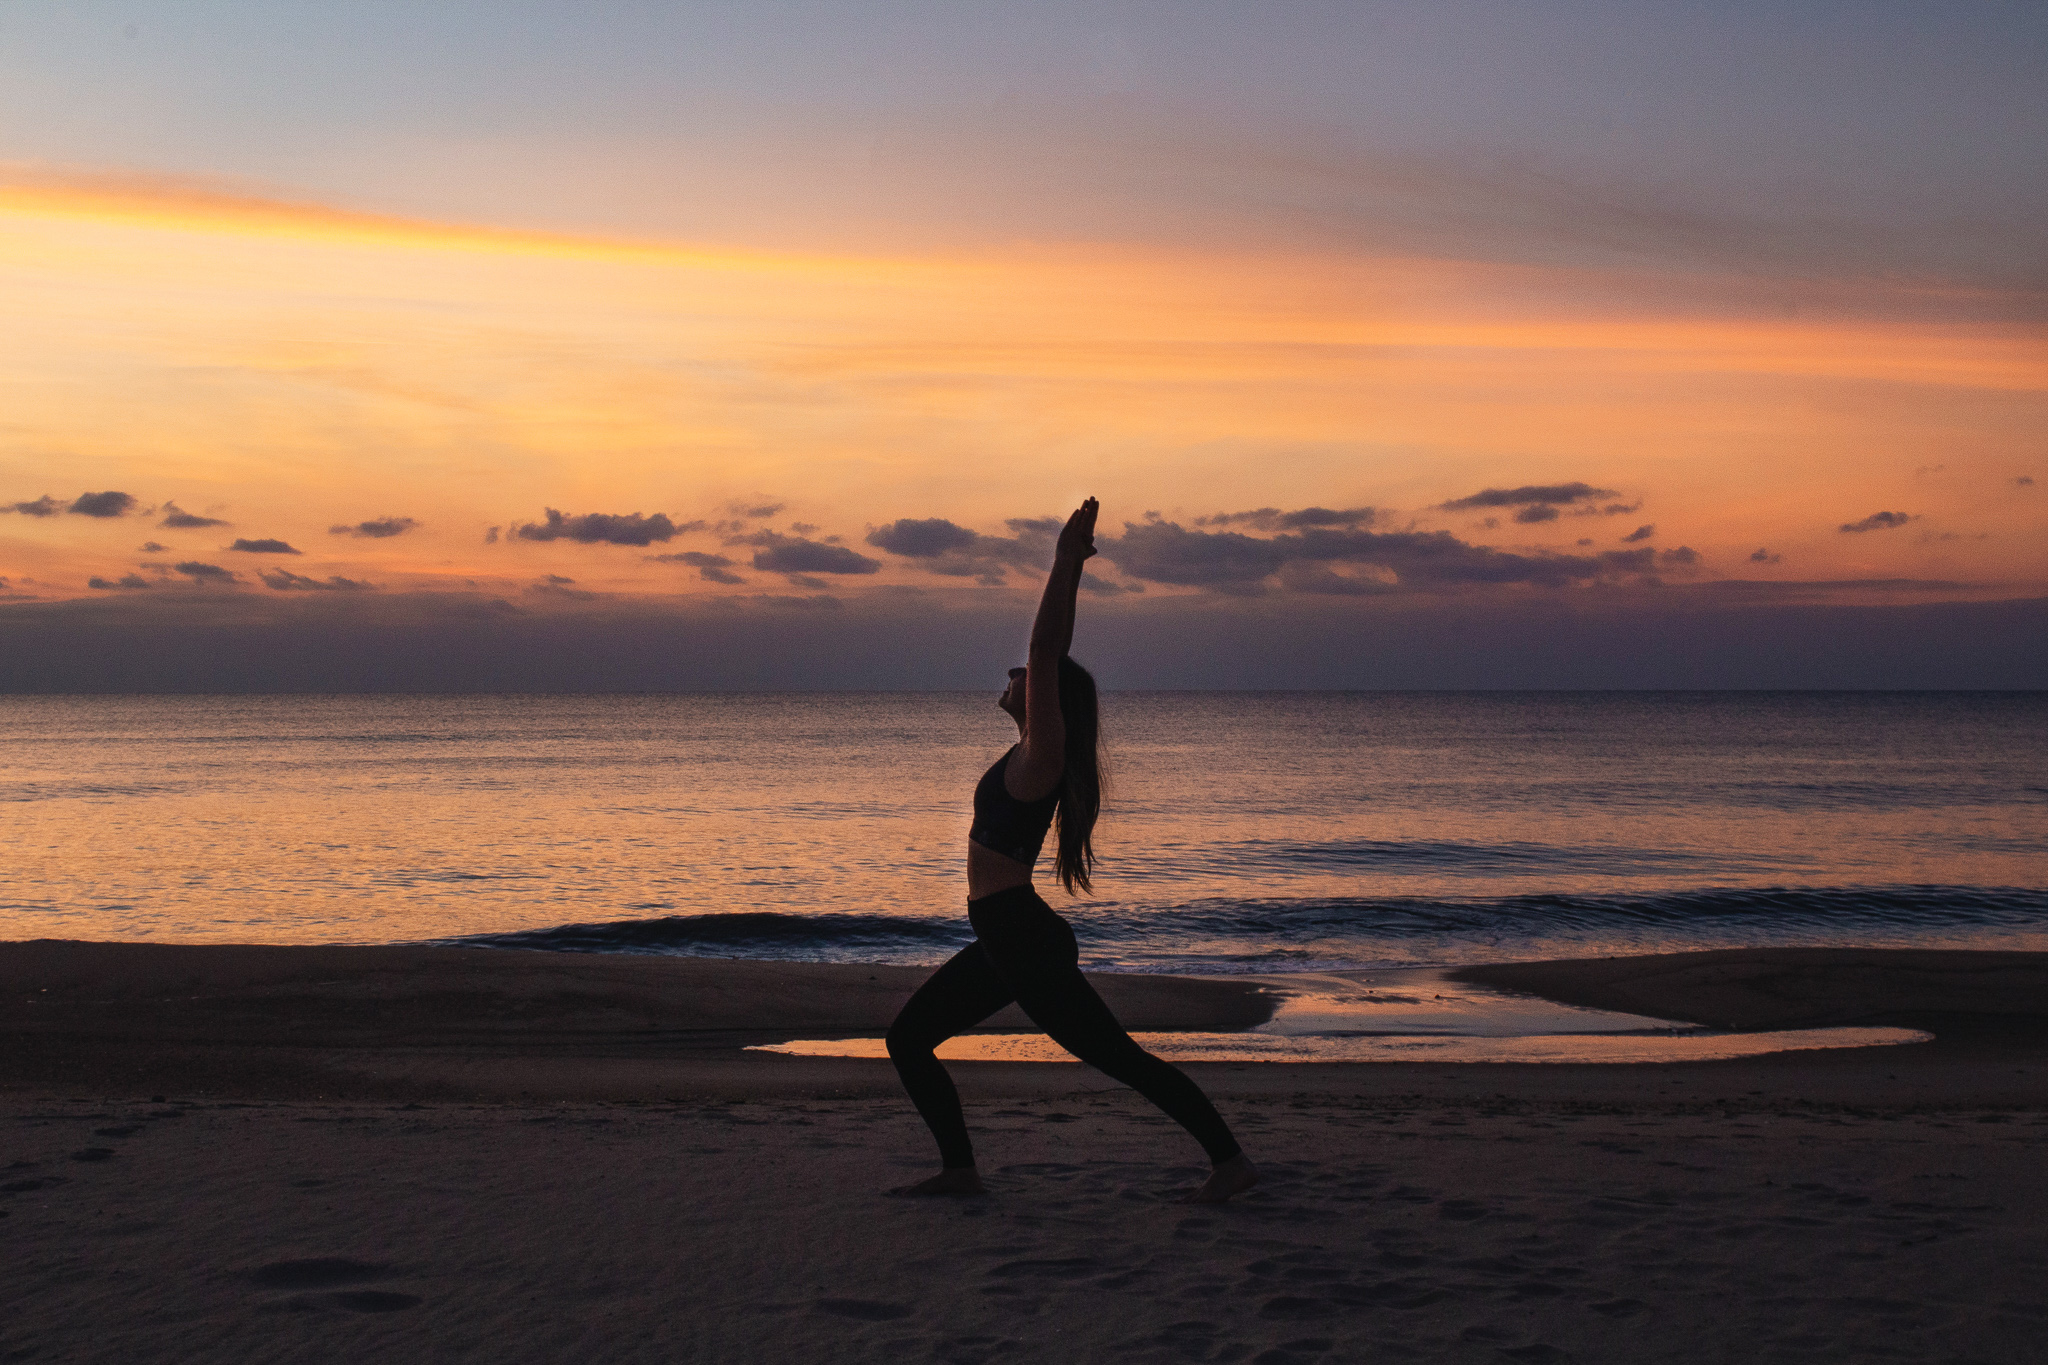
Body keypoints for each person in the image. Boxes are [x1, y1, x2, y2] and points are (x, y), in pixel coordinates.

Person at [885, 497, 1258, 1204]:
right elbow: (1040, 660)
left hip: (1021, 939)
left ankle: (1231, 1162)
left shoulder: (1042, 756)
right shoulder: (1026, 756)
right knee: (907, 1039)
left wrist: (1064, 565)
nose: (1015, 673)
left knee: (1120, 1058)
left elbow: (1045, 649)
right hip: (1004, 939)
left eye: (1024, 675)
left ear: (1049, 700)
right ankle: (960, 1172)